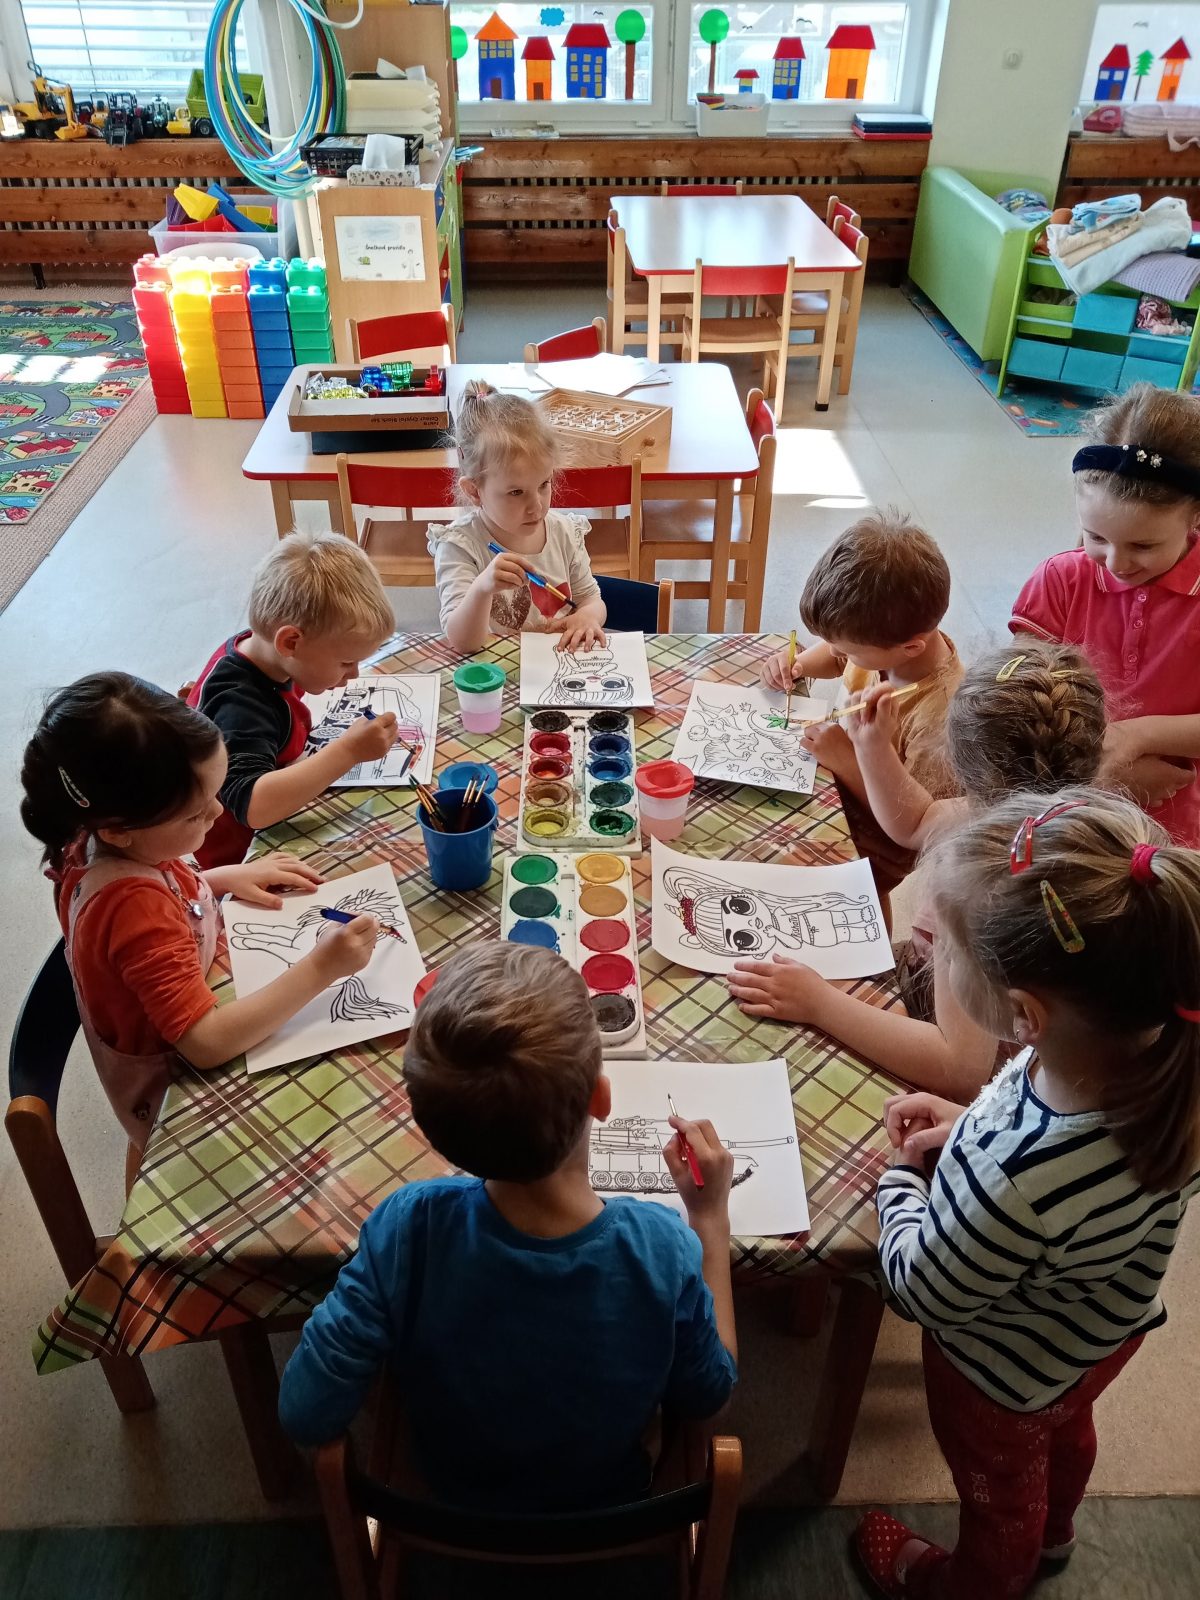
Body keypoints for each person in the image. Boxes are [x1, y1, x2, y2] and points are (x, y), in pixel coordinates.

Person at [854, 789, 1200, 1599]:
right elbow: (1052, 1145)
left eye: (945, 950)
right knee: (1065, 1432)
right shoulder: (1160, 1071)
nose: (933, 955)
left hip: (999, 1376)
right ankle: (1057, 1530)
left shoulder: (1013, 1178)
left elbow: (921, 1289)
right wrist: (970, 1124)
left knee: (999, 1495)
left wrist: (900, 1182)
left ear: (1022, 1015)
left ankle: (975, 1583)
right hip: (1097, 1335)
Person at [278, 942, 737, 1512]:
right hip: (610, 1499)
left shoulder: (407, 1226)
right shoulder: (662, 1247)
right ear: (601, 1098)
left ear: (433, 1129)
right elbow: (711, 1398)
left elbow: (304, 1412)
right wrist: (709, 1218)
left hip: (449, 1492)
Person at [19, 673, 379, 1169]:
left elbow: (160, 896)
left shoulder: (102, 836)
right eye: (194, 814)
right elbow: (205, 1042)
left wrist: (220, 878)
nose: (217, 810)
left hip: (201, 996)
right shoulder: (133, 908)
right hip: (177, 1094)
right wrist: (323, 966)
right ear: (120, 831)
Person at [730, 644, 1107, 1098]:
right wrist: (872, 747)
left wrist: (819, 1003)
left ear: (959, 763)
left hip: (956, 1056)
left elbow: (959, 1068)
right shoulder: (1024, 817)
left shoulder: (983, 886)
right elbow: (917, 821)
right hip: (929, 979)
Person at [1010, 381, 1200, 846]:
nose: (1116, 563)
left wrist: (1137, 735)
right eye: (1096, 537)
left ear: (1195, 517)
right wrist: (1102, 775)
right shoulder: (1059, 581)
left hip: (1177, 823)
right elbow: (1021, 702)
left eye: (1143, 545)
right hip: (1068, 803)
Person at [761, 510, 963, 899]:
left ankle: (874, 938)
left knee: (810, 883)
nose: (837, 653)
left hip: (879, 840)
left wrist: (847, 759)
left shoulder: (940, 715)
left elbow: (914, 823)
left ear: (910, 647)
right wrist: (799, 664)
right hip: (835, 781)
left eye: (847, 649)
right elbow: (837, 656)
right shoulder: (887, 641)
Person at [188, 529, 399, 869]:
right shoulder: (239, 703)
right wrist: (349, 750)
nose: (354, 675)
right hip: (243, 859)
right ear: (290, 642)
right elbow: (253, 806)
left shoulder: (269, 656)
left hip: (281, 809)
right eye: (345, 662)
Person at [430, 381, 607, 656]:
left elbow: (592, 600)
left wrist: (587, 616)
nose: (536, 506)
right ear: (474, 491)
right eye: (516, 492)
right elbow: (463, 642)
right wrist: (482, 589)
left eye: (544, 484)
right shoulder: (459, 546)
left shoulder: (564, 533)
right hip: (496, 673)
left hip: (558, 668)